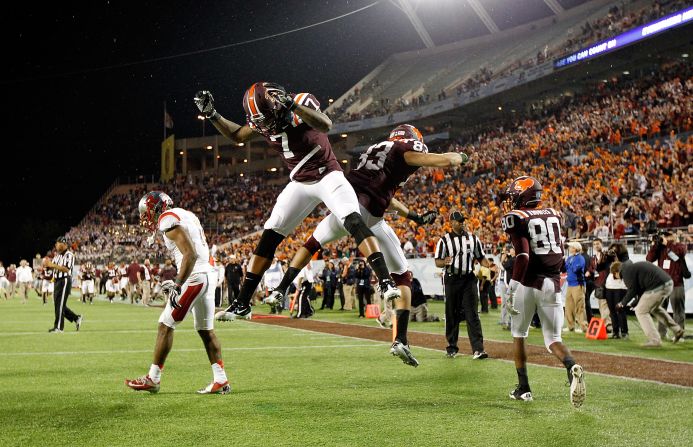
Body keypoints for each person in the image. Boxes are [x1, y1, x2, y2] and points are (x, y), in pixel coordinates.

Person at [262, 124, 466, 366]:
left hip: (343, 206)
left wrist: (415, 217)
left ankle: (281, 288)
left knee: (312, 242)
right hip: (369, 215)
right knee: (403, 277)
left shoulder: (377, 149)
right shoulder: (404, 150)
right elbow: (431, 160)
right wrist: (456, 157)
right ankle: (400, 338)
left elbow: (388, 196)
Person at [196, 85, 402, 321]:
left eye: (267, 118)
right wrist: (213, 115)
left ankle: (385, 281)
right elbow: (238, 136)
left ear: (278, 105)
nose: (264, 126)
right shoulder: (263, 119)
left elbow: (325, 124)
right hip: (300, 182)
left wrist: (293, 106)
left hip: (328, 175)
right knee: (269, 236)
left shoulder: (299, 102)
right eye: (259, 121)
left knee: (353, 220)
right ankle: (242, 303)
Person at [125, 191, 230, 394]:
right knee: (205, 330)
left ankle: (153, 378)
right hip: (208, 274)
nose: (146, 217)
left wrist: (178, 283)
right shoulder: (186, 214)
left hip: (195, 276)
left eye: (147, 212)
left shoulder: (167, 218)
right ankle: (221, 379)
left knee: (165, 324)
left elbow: (190, 254)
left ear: (157, 208)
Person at [500, 176, 585, 408]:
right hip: (553, 283)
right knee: (554, 339)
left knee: (519, 334)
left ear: (521, 196)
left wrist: (512, 288)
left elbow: (523, 255)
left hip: (528, 283)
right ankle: (571, 366)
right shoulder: (555, 214)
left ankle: (524, 388)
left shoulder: (516, 217)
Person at [435, 211, 489, 360]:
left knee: (472, 314)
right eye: (459, 221)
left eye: (463, 220)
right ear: (451, 223)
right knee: (452, 313)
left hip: (469, 279)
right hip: (452, 279)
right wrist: (444, 262)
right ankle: (452, 347)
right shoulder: (444, 240)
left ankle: (478, 349)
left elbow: (481, 257)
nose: (462, 223)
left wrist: (486, 268)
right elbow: (437, 261)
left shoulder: (473, 238)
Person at [614, 260, 685, 347]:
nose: (617, 279)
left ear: (616, 272)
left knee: (640, 311)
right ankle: (677, 330)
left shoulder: (626, 272)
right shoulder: (632, 267)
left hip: (657, 286)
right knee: (655, 309)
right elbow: (641, 290)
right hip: (668, 283)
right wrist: (634, 303)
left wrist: (621, 304)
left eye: (615, 277)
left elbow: (632, 290)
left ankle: (655, 340)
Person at [646, 231, 688, 335]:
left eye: (668, 235)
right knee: (661, 310)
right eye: (664, 236)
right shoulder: (660, 249)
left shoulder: (680, 246)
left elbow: (680, 253)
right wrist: (655, 245)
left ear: (674, 236)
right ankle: (662, 333)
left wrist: (667, 244)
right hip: (662, 284)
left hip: (676, 283)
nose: (666, 237)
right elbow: (649, 259)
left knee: (678, 310)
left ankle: (679, 334)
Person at [43, 237, 82, 333]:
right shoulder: (57, 256)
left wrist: (52, 265)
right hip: (57, 281)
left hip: (64, 280)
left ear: (63, 244)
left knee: (59, 305)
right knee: (59, 305)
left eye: (57, 243)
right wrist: (47, 266)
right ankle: (76, 318)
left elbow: (66, 269)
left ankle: (59, 327)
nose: (56, 245)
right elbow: (53, 268)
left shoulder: (69, 255)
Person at [564, 242, 587, 333]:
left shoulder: (580, 258)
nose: (569, 248)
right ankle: (570, 326)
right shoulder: (569, 258)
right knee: (569, 306)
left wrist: (570, 265)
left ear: (575, 248)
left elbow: (576, 269)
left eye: (571, 247)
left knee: (579, 306)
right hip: (570, 284)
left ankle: (583, 327)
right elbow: (564, 268)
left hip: (578, 284)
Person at [605, 261, 629, 339]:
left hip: (620, 290)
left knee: (620, 310)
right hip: (609, 289)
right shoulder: (611, 272)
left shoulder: (623, 272)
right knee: (612, 311)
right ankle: (615, 332)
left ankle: (624, 332)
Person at [498, 247, 515, 330]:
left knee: (510, 304)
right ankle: (507, 322)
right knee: (507, 304)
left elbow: (502, 266)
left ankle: (510, 323)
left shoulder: (512, 260)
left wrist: (502, 259)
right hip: (508, 284)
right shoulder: (512, 260)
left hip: (510, 284)